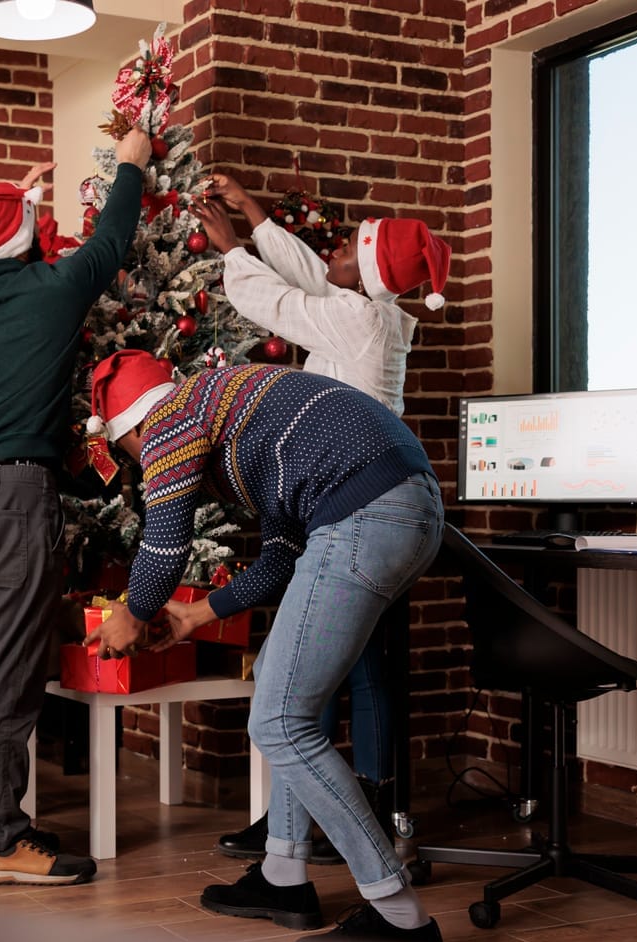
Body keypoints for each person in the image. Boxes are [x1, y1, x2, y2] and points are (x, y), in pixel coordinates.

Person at [86, 352, 446, 942]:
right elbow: (282, 553)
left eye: (129, 454)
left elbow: (164, 543)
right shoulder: (234, 411)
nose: (140, 466)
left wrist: (133, 613)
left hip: (364, 517)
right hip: (403, 509)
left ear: (129, 431)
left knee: (279, 721)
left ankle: (400, 916)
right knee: (285, 707)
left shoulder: (172, 416)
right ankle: (283, 877)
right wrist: (201, 614)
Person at [188, 178, 451, 866]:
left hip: (353, 504)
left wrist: (231, 249)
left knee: (347, 671)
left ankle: (350, 814)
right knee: (327, 672)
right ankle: (301, 818)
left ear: (360, 275)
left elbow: (276, 300)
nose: (331, 247)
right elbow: (316, 277)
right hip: (357, 498)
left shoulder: (357, 321)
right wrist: (253, 214)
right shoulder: (372, 310)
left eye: (345, 247)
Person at [0, 126, 151, 886]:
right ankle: (0, 839)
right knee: (7, 677)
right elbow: (113, 240)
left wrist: (8, 208)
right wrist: (131, 163)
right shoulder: (49, 292)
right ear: (27, 235)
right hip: (11, 500)